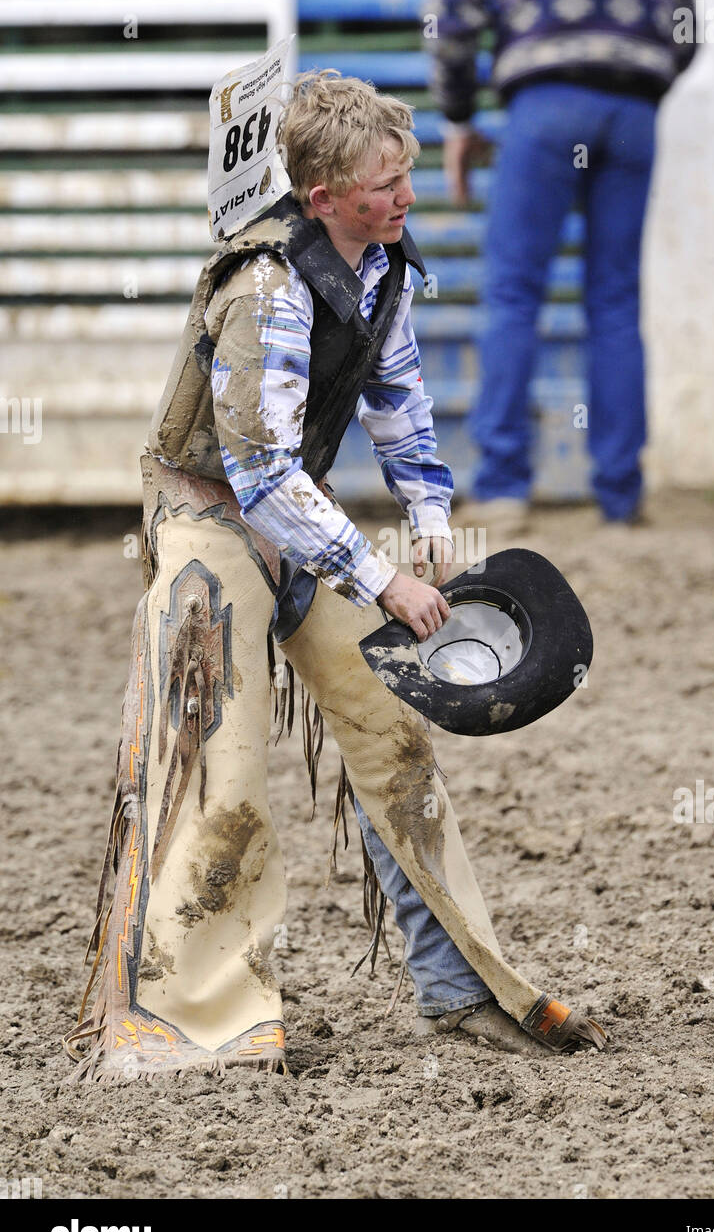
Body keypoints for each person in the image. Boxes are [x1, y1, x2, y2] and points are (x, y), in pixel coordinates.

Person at [64, 70, 607, 1080]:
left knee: (392, 730)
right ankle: (189, 1025)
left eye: (404, 175)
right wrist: (382, 577)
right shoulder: (266, 288)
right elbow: (256, 468)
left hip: (290, 511)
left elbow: (398, 402)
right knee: (218, 769)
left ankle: (461, 988)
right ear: (322, 198)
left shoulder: (381, 267)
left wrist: (432, 517)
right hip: (206, 513)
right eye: (384, 183)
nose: (405, 196)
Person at [425, 0, 697, 527]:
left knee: (515, 291)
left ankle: (501, 488)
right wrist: (634, 82)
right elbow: (687, 31)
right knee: (616, 298)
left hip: (544, 105)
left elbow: (450, 13)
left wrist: (461, 116)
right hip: (633, 113)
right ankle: (621, 495)